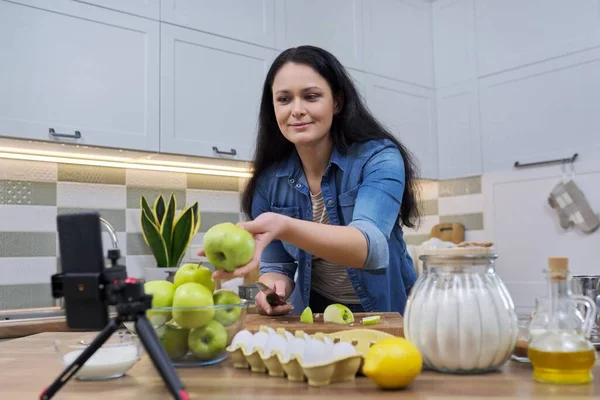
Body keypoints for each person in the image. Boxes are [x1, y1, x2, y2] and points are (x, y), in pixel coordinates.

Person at [205, 45, 420, 317]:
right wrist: (274, 290)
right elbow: (277, 266)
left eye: (311, 96)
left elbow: (370, 247)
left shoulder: (379, 158)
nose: (296, 110)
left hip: (392, 314)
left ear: (337, 102)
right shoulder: (269, 181)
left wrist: (283, 225)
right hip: (318, 315)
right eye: (284, 99)